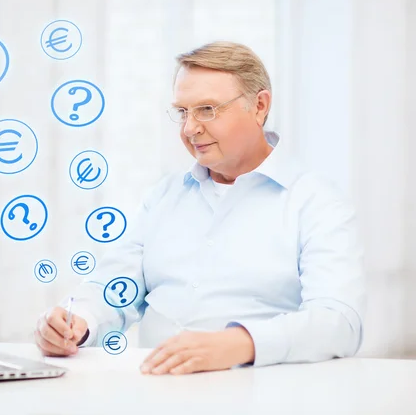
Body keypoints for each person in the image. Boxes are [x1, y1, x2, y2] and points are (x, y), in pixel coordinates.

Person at [34, 41, 366, 375]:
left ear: (260, 106)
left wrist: (239, 343)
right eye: (183, 112)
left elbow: (338, 322)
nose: (190, 128)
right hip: (156, 391)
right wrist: (77, 322)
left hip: (264, 395)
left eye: (207, 109)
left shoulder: (315, 202)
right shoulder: (164, 196)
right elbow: (113, 289)